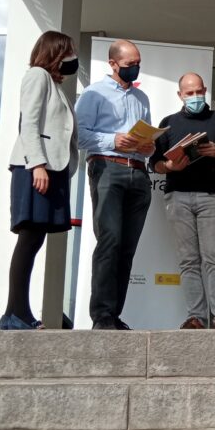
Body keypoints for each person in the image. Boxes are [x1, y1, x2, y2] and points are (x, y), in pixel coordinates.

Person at [75, 39, 155, 330]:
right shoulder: (94, 93)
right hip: (107, 167)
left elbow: (148, 140)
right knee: (110, 241)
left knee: (127, 248)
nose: (135, 68)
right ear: (112, 64)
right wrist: (113, 140)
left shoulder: (141, 98)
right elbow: (79, 134)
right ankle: (102, 316)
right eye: (130, 64)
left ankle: (114, 314)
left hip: (139, 173)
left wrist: (149, 147)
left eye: (138, 63)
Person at [2, 31, 79, 330]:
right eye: (69, 52)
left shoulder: (55, 86)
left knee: (34, 240)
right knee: (29, 238)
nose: (73, 58)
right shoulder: (37, 76)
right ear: (56, 53)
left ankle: (18, 312)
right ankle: (16, 314)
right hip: (36, 167)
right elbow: (29, 122)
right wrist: (37, 165)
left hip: (52, 168)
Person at [150, 73, 215, 330]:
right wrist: (170, 166)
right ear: (180, 95)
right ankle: (196, 316)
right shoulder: (168, 123)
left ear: (205, 90)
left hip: (212, 196)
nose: (195, 96)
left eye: (199, 91)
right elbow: (155, 164)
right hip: (177, 195)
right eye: (189, 93)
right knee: (189, 259)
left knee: (214, 256)